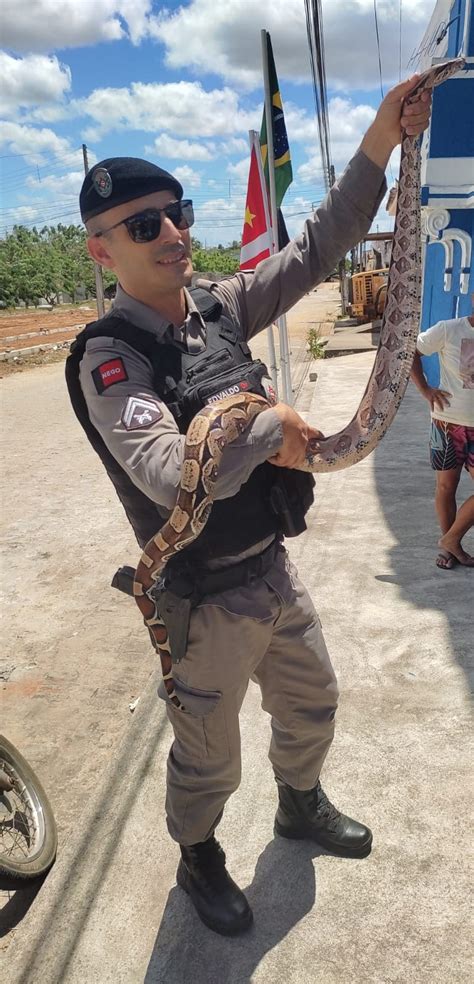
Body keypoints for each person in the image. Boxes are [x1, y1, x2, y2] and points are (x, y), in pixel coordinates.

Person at [67, 77, 432, 936]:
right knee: (208, 758)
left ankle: (299, 805)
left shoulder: (219, 307)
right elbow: (166, 471)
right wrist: (275, 428)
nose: (173, 233)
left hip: (270, 566)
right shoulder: (110, 361)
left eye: (178, 212)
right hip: (200, 600)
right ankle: (199, 856)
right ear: (100, 251)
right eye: (145, 225)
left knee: (314, 703)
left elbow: (318, 247)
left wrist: (382, 139)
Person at [410, 309, 474, 569]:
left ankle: (450, 539)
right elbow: (411, 352)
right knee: (447, 487)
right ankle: (451, 547)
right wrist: (425, 389)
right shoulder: (448, 329)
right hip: (448, 422)